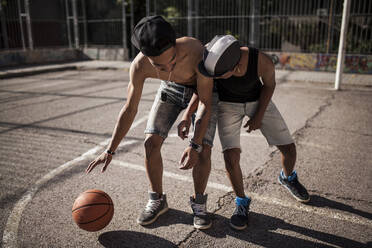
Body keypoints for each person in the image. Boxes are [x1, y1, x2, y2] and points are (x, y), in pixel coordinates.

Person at [85, 16, 215, 230]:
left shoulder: (194, 49)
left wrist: (194, 144)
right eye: (159, 66)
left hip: (201, 91)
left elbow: (205, 102)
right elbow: (129, 109)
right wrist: (110, 150)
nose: (168, 69)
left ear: (175, 44)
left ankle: (199, 203)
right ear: (145, 56)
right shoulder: (139, 66)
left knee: (203, 149)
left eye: (172, 61)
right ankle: (158, 199)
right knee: (150, 143)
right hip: (170, 90)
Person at [178, 35, 310, 231]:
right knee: (231, 157)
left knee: (289, 148)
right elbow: (202, 89)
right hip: (228, 106)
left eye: (219, 76)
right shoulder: (213, 58)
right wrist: (187, 114)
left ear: (236, 68)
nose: (214, 77)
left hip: (258, 100)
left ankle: (288, 177)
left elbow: (270, 85)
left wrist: (259, 115)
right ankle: (241, 201)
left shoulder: (261, 61)